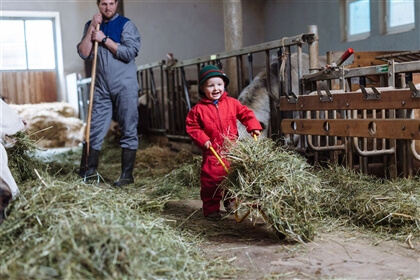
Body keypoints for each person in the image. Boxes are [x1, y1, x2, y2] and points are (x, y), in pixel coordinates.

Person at [185, 65, 263, 220]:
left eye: (219, 84)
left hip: (231, 149)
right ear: (202, 88)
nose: (216, 89)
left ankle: (230, 202)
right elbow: (192, 127)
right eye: (210, 85)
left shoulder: (232, 103)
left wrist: (253, 126)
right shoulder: (198, 110)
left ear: (224, 85)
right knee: (211, 182)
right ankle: (211, 209)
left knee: (232, 177)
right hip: (212, 151)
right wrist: (203, 139)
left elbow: (246, 113)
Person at [77, 0, 141, 187]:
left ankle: (126, 175)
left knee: (128, 127)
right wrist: (92, 30)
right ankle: (88, 172)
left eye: (111, 3)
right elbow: (84, 52)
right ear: (98, 4)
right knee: (94, 128)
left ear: (116, 3)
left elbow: (129, 52)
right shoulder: (91, 25)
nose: (108, 7)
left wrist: (104, 39)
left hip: (124, 85)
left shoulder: (126, 24)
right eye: (103, 3)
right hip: (101, 86)